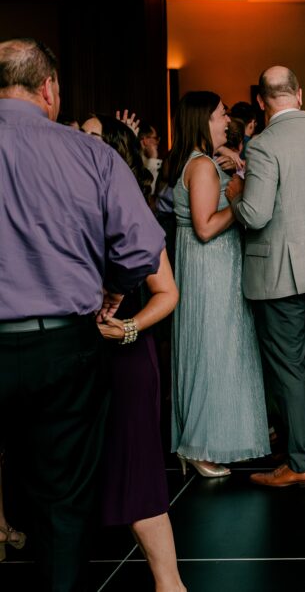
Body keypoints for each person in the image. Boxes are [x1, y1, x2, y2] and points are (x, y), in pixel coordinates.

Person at [0, 37, 164, 591]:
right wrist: (115, 290)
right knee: (63, 504)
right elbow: (141, 249)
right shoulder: (89, 154)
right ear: (49, 89)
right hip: (62, 346)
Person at [228, 66, 305, 488]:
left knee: (287, 367)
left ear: (261, 100)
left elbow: (256, 214)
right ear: (299, 92)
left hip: (278, 268)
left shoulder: (264, 144)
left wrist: (235, 198)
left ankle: (301, 462)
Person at [95, 123, 184, 590]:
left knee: (137, 468)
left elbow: (167, 292)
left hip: (127, 354)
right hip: (77, 358)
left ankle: (169, 583)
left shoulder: (133, 216)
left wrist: (127, 327)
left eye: (90, 136)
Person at [169, 91, 270, 477]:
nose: (226, 121)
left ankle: (199, 438)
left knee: (211, 347)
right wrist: (239, 201)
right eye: (220, 114)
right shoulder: (202, 168)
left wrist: (237, 167)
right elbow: (206, 227)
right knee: (213, 350)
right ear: (202, 120)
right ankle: (199, 444)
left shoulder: (202, 163)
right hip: (209, 267)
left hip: (205, 267)